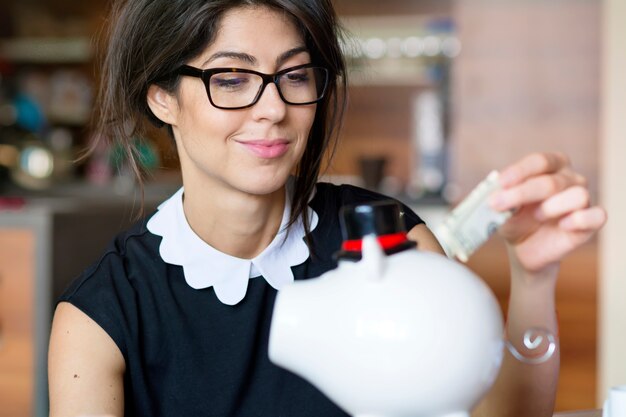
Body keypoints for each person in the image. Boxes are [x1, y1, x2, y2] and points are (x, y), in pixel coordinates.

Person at [47, 1, 607, 416]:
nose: (272, 109)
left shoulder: (392, 246)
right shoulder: (99, 319)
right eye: (232, 79)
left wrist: (533, 280)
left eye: (294, 76)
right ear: (162, 96)